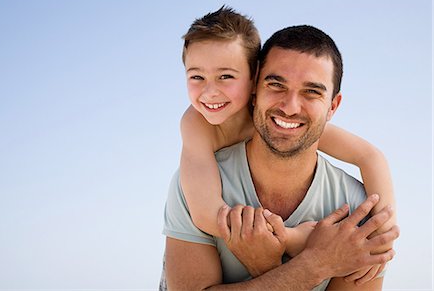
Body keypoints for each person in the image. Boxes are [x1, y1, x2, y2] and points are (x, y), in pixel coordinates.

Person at [162, 16, 399, 289]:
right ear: (257, 88)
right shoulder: (195, 145)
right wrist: (298, 248)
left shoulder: (357, 215)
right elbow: (205, 214)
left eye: (311, 92)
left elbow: (371, 157)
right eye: (276, 85)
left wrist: (384, 231)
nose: (289, 107)